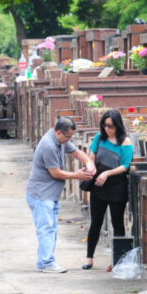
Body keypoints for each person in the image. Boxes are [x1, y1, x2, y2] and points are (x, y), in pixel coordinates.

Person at [26, 116, 95, 273]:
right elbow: (55, 173)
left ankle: (47, 260)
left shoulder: (61, 140)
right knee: (46, 228)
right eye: (68, 136)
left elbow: (77, 153)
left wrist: (89, 164)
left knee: (52, 229)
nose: (69, 140)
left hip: (50, 194)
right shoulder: (49, 145)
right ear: (58, 133)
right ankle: (46, 262)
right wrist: (77, 175)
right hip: (40, 194)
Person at [82, 109, 133, 270]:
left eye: (110, 125)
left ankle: (118, 260)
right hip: (99, 184)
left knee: (117, 223)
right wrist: (90, 168)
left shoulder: (125, 142)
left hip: (117, 185)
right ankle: (89, 258)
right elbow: (91, 157)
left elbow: (125, 165)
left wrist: (107, 172)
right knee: (95, 222)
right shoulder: (99, 138)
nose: (107, 129)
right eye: (104, 125)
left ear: (118, 125)